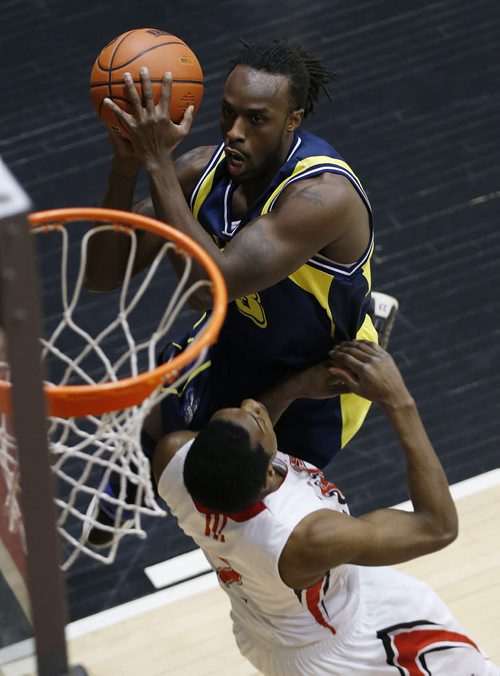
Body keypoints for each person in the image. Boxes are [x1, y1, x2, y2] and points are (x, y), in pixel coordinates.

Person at [84, 38, 398, 544]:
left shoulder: (322, 197)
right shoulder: (199, 172)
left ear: (292, 120)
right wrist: (126, 165)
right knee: (152, 423)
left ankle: (369, 326)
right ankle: (122, 492)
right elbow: (101, 276)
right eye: (227, 113)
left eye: (256, 120)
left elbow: (215, 285)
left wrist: (158, 164)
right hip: (235, 345)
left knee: (248, 528)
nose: (235, 133)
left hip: (313, 379)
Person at [153, 340, 499, 676]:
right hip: (344, 649)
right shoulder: (308, 534)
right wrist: (398, 401)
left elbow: (240, 451)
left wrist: (294, 388)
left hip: (267, 628)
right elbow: (437, 527)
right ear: (265, 480)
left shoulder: (176, 460)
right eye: (256, 419)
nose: (252, 404)